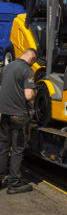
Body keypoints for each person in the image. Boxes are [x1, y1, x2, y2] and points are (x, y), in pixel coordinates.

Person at [0, 48, 38, 194]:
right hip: (19, 115)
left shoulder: (6, 68)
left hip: (5, 114)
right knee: (17, 149)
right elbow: (28, 95)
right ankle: (14, 184)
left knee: (3, 148)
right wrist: (35, 91)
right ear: (32, 59)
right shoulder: (27, 71)